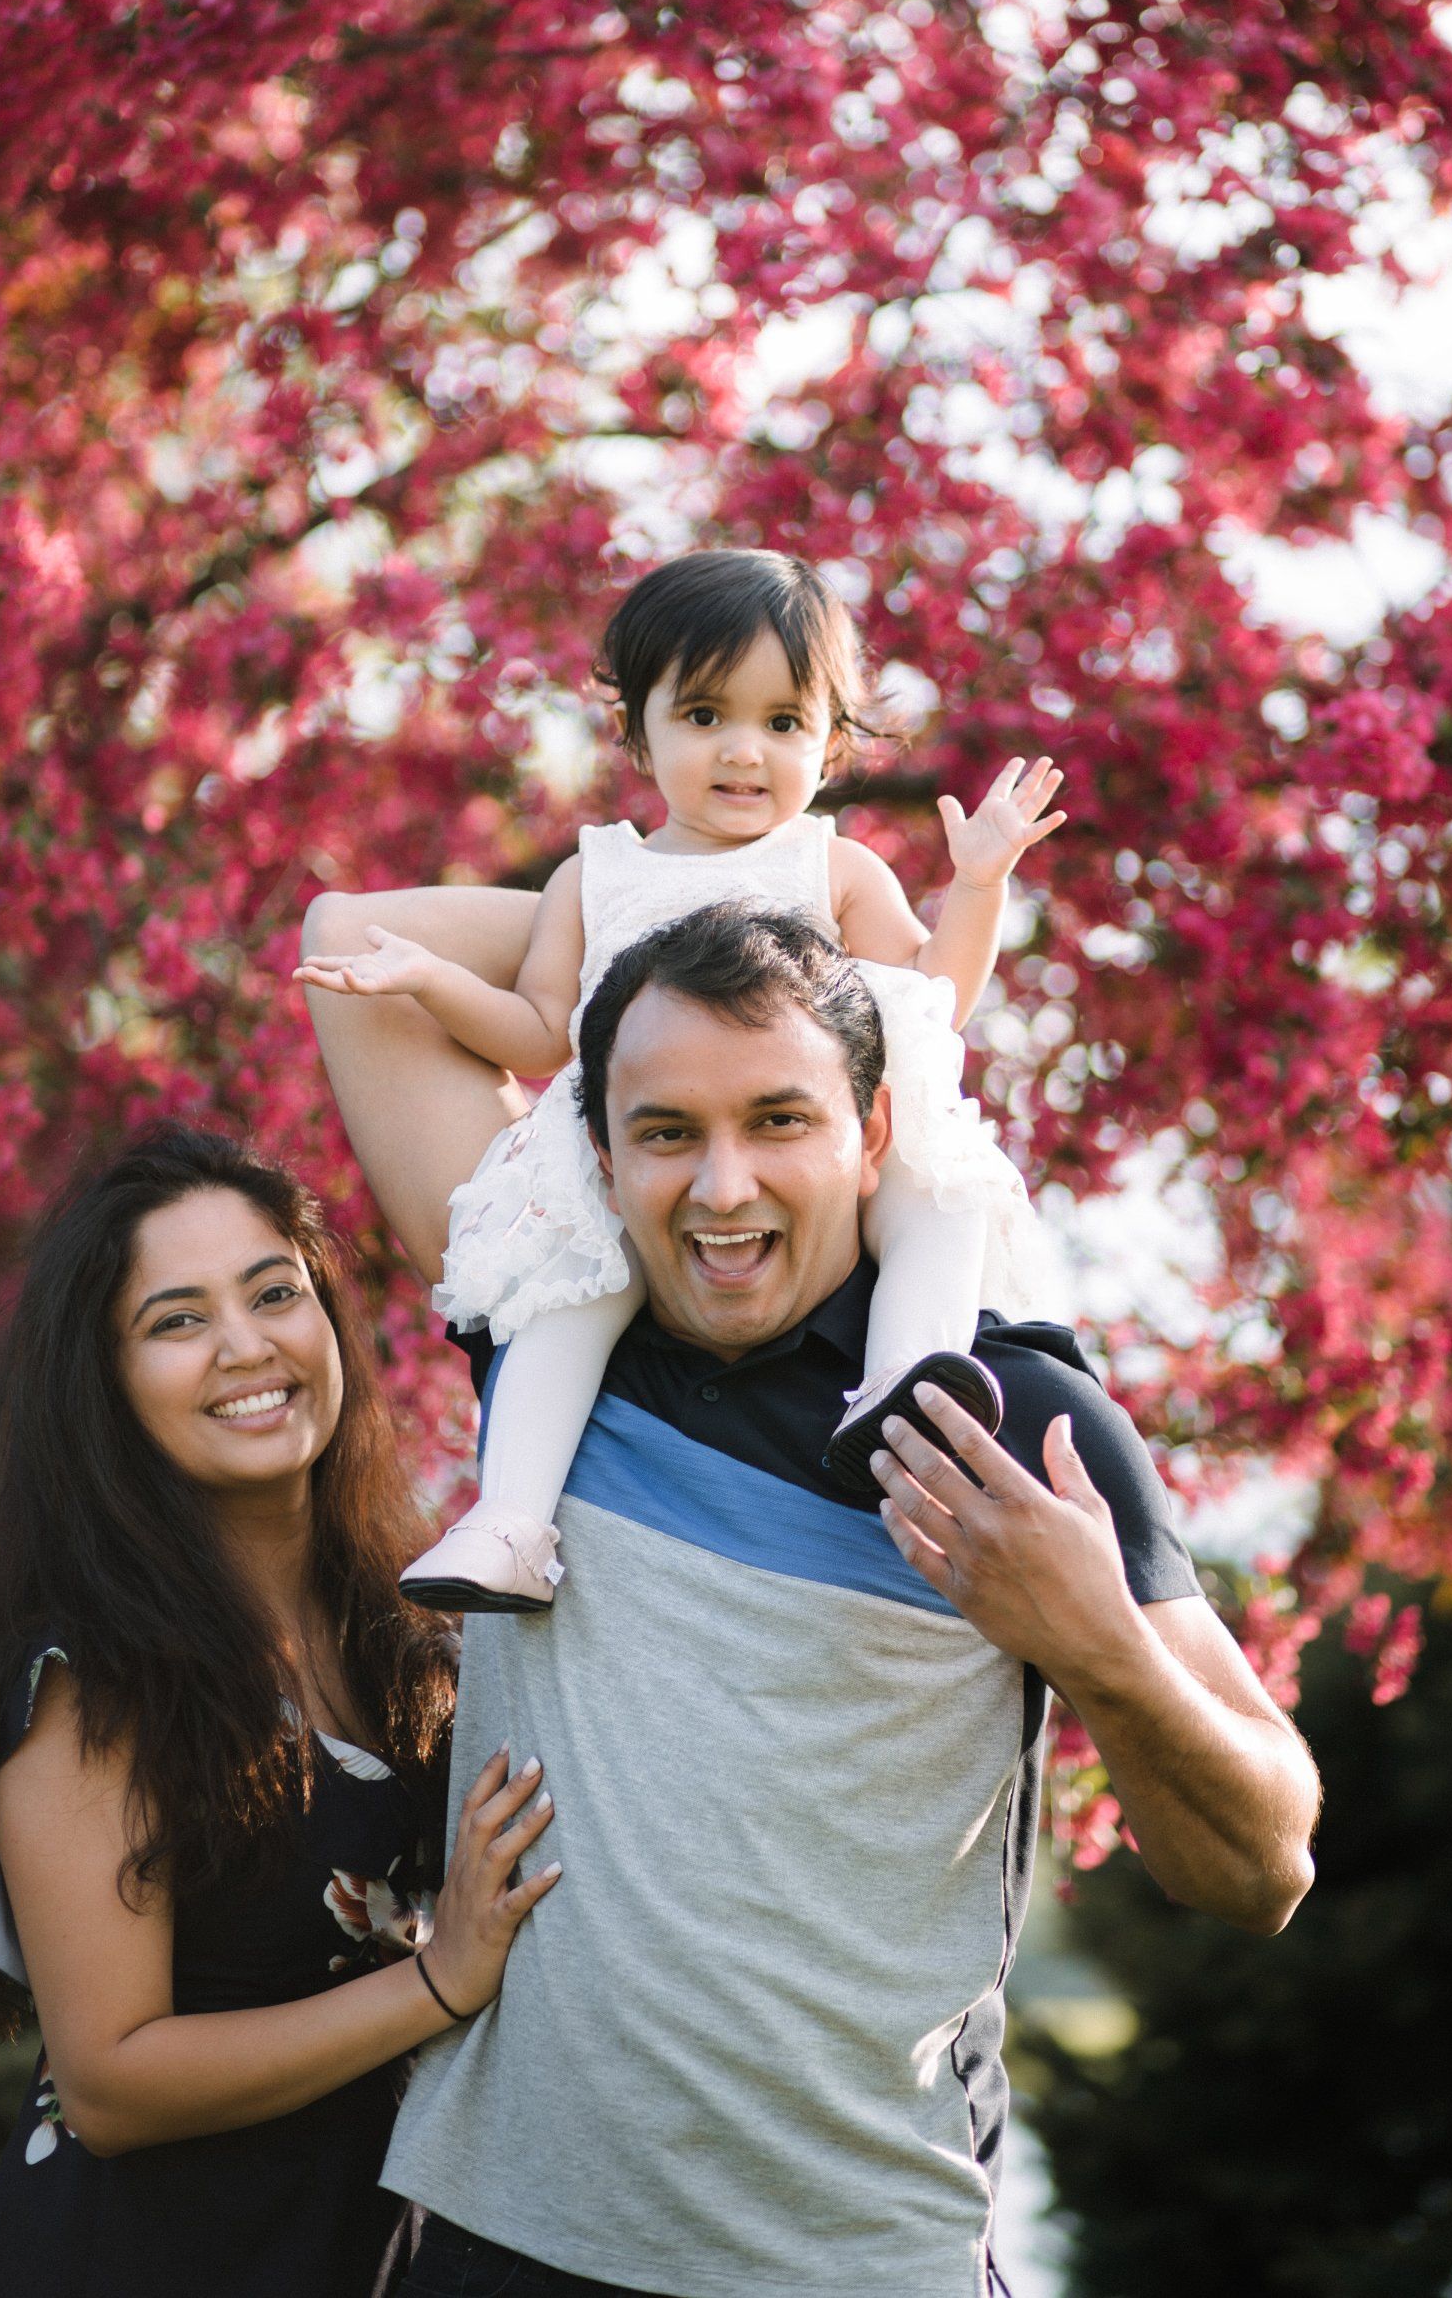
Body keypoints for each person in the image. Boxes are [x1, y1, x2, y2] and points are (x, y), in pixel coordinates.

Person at [301, 901, 1321, 2298]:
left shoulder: (1010, 1416)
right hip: (502, 2244)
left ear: (877, 1134)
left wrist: (1102, 1649)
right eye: (667, 1131)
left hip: (860, 2257)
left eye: (780, 1118)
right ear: (599, 1157)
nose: (723, 1188)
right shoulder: (538, 1341)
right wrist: (695, 862)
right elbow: (350, 934)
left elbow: (1263, 1864)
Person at [296, 546, 1065, 1611]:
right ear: (637, 726)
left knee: (934, 1194)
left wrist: (978, 883)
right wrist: (426, 981)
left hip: (821, 1142)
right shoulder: (595, 874)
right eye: (704, 716)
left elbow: (935, 994)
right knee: (570, 1294)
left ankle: (900, 1383)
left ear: (833, 744)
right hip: (638, 1155)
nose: (743, 753)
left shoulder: (834, 868)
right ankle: (512, 1521)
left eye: (784, 724)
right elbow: (535, 1035)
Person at [0, 1122, 561, 2298]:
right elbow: (110, 2081)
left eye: (274, 1293)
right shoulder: (89, 1681)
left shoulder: (411, 1643)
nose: (246, 1348)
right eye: (177, 1320)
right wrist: (436, 1980)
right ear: (107, 1380)